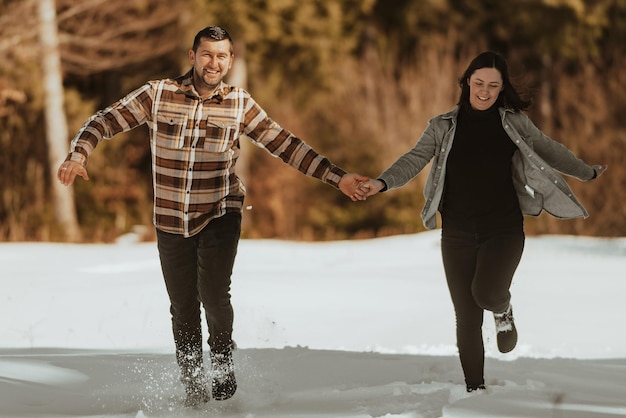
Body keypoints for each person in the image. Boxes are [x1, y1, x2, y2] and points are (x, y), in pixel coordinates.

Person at [57, 26, 369, 406]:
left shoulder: (240, 103)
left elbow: (284, 143)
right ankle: (194, 388)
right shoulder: (158, 94)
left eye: (222, 56)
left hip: (220, 210)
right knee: (183, 307)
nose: (213, 63)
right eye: (207, 54)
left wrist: (337, 178)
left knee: (214, 295)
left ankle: (221, 363)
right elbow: (106, 119)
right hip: (170, 217)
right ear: (192, 57)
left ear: (231, 61)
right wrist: (79, 153)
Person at [358, 51, 608, 393]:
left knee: (486, 292)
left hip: (503, 229)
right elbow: (414, 159)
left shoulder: (514, 123)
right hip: (457, 231)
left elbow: (550, 149)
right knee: (467, 315)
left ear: (502, 88)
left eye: (493, 85)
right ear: (466, 84)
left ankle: (502, 310)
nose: (485, 91)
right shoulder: (442, 126)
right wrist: (382, 182)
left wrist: (586, 171)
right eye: (478, 83)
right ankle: (475, 390)